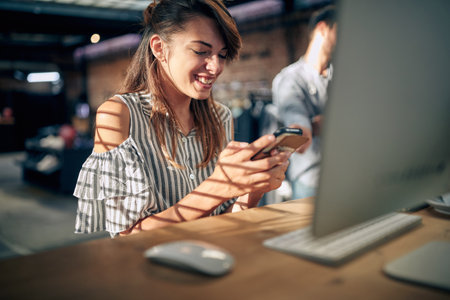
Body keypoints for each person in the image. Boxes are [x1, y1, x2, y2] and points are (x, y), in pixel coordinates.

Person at [74, 0, 291, 237]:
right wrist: (220, 185)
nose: (216, 66)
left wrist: (253, 187)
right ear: (159, 48)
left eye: (222, 54)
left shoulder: (221, 117)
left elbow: (224, 220)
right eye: (201, 51)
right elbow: (126, 237)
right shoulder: (117, 115)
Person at [272, 5, 337, 199]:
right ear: (323, 29)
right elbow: (299, 128)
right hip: (312, 180)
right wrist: (305, 129)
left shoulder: (344, 74)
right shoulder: (289, 79)